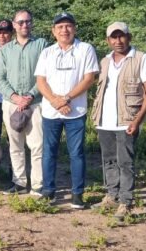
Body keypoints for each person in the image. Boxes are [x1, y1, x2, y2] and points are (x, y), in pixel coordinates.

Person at [90, 22, 146, 222]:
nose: (118, 41)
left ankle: (126, 201)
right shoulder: (104, 61)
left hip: (127, 120)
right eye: (113, 37)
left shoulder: (141, 59)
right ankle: (112, 195)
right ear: (108, 40)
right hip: (105, 120)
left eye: (121, 36)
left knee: (125, 162)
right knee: (109, 159)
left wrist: (138, 120)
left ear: (129, 37)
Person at [34, 12, 99, 209]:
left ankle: (77, 194)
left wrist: (66, 98)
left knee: (76, 153)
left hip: (75, 110)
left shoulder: (85, 49)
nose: (64, 30)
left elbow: (89, 78)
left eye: (68, 26)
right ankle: (48, 191)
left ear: (75, 28)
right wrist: (55, 101)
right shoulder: (47, 52)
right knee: (48, 153)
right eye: (60, 27)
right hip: (51, 111)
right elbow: (40, 80)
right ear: (54, 31)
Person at [0, 9, 48, 196]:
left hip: (36, 102)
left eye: (28, 21)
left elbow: (45, 74)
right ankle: (19, 183)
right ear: (14, 24)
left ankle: (37, 185)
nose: (24, 25)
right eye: (21, 22)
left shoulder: (42, 45)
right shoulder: (6, 50)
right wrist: (15, 97)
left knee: (37, 145)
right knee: (15, 145)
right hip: (12, 103)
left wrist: (30, 96)